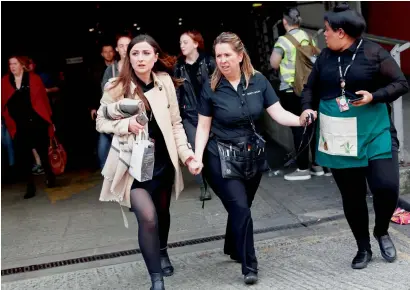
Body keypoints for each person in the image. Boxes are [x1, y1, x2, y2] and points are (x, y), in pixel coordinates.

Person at [194, 32, 311, 285]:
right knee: (241, 208)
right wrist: (197, 157)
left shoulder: (258, 81)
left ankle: (233, 247)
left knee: (241, 206)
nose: (222, 61)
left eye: (227, 55)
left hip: (251, 156)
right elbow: (203, 127)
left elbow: (278, 113)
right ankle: (250, 265)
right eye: (218, 56)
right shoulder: (210, 86)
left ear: (240, 55)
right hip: (220, 156)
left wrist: (300, 119)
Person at [300, 3, 409, 269]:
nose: (323, 34)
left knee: (387, 187)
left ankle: (381, 230)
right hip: (338, 137)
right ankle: (363, 247)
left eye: (326, 30)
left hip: (375, 131)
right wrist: (307, 109)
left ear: (341, 32)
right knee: (352, 196)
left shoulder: (373, 53)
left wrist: (375, 96)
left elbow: (401, 83)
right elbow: (309, 89)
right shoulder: (324, 58)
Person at [96, 34, 202, 290]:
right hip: (133, 167)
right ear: (128, 57)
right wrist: (125, 124)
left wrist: (187, 155)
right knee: (149, 218)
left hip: (162, 162)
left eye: (146, 53)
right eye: (135, 53)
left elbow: (176, 124)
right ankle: (157, 280)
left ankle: (162, 250)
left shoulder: (165, 82)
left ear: (156, 57)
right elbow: (101, 121)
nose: (140, 58)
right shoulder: (116, 86)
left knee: (162, 214)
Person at [270, 7, 330, 180]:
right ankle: (318, 166)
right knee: (313, 125)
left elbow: (274, 63)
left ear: (284, 22)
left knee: (299, 127)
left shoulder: (282, 41)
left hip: (291, 90)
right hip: (310, 88)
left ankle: (303, 168)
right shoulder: (308, 37)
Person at [1, 55, 56, 199]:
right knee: (24, 157)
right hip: (18, 124)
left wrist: (49, 119)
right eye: (10, 64)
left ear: (22, 65)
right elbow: (3, 103)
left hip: (36, 122)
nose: (12, 66)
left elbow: (43, 101)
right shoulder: (5, 82)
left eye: (15, 63)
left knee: (42, 152)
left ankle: (50, 175)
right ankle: (30, 186)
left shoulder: (34, 79)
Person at [174, 30, 216, 201]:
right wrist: (176, 114)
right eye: (180, 43)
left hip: (212, 114)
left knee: (213, 149)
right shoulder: (178, 67)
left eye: (185, 42)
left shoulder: (209, 62)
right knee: (194, 149)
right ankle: (203, 186)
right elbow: (176, 93)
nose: (182, 45)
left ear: (196, 43)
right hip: (190, 115)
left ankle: (221, 179)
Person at [98, 34, 132, 169]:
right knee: (104, 149)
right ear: (117, 49)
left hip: (134, 116)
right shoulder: (111, 70)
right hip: (115, 115)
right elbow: (104, 94)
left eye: (127, 45)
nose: (125, 49)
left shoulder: (138, 66)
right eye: (121, 46)